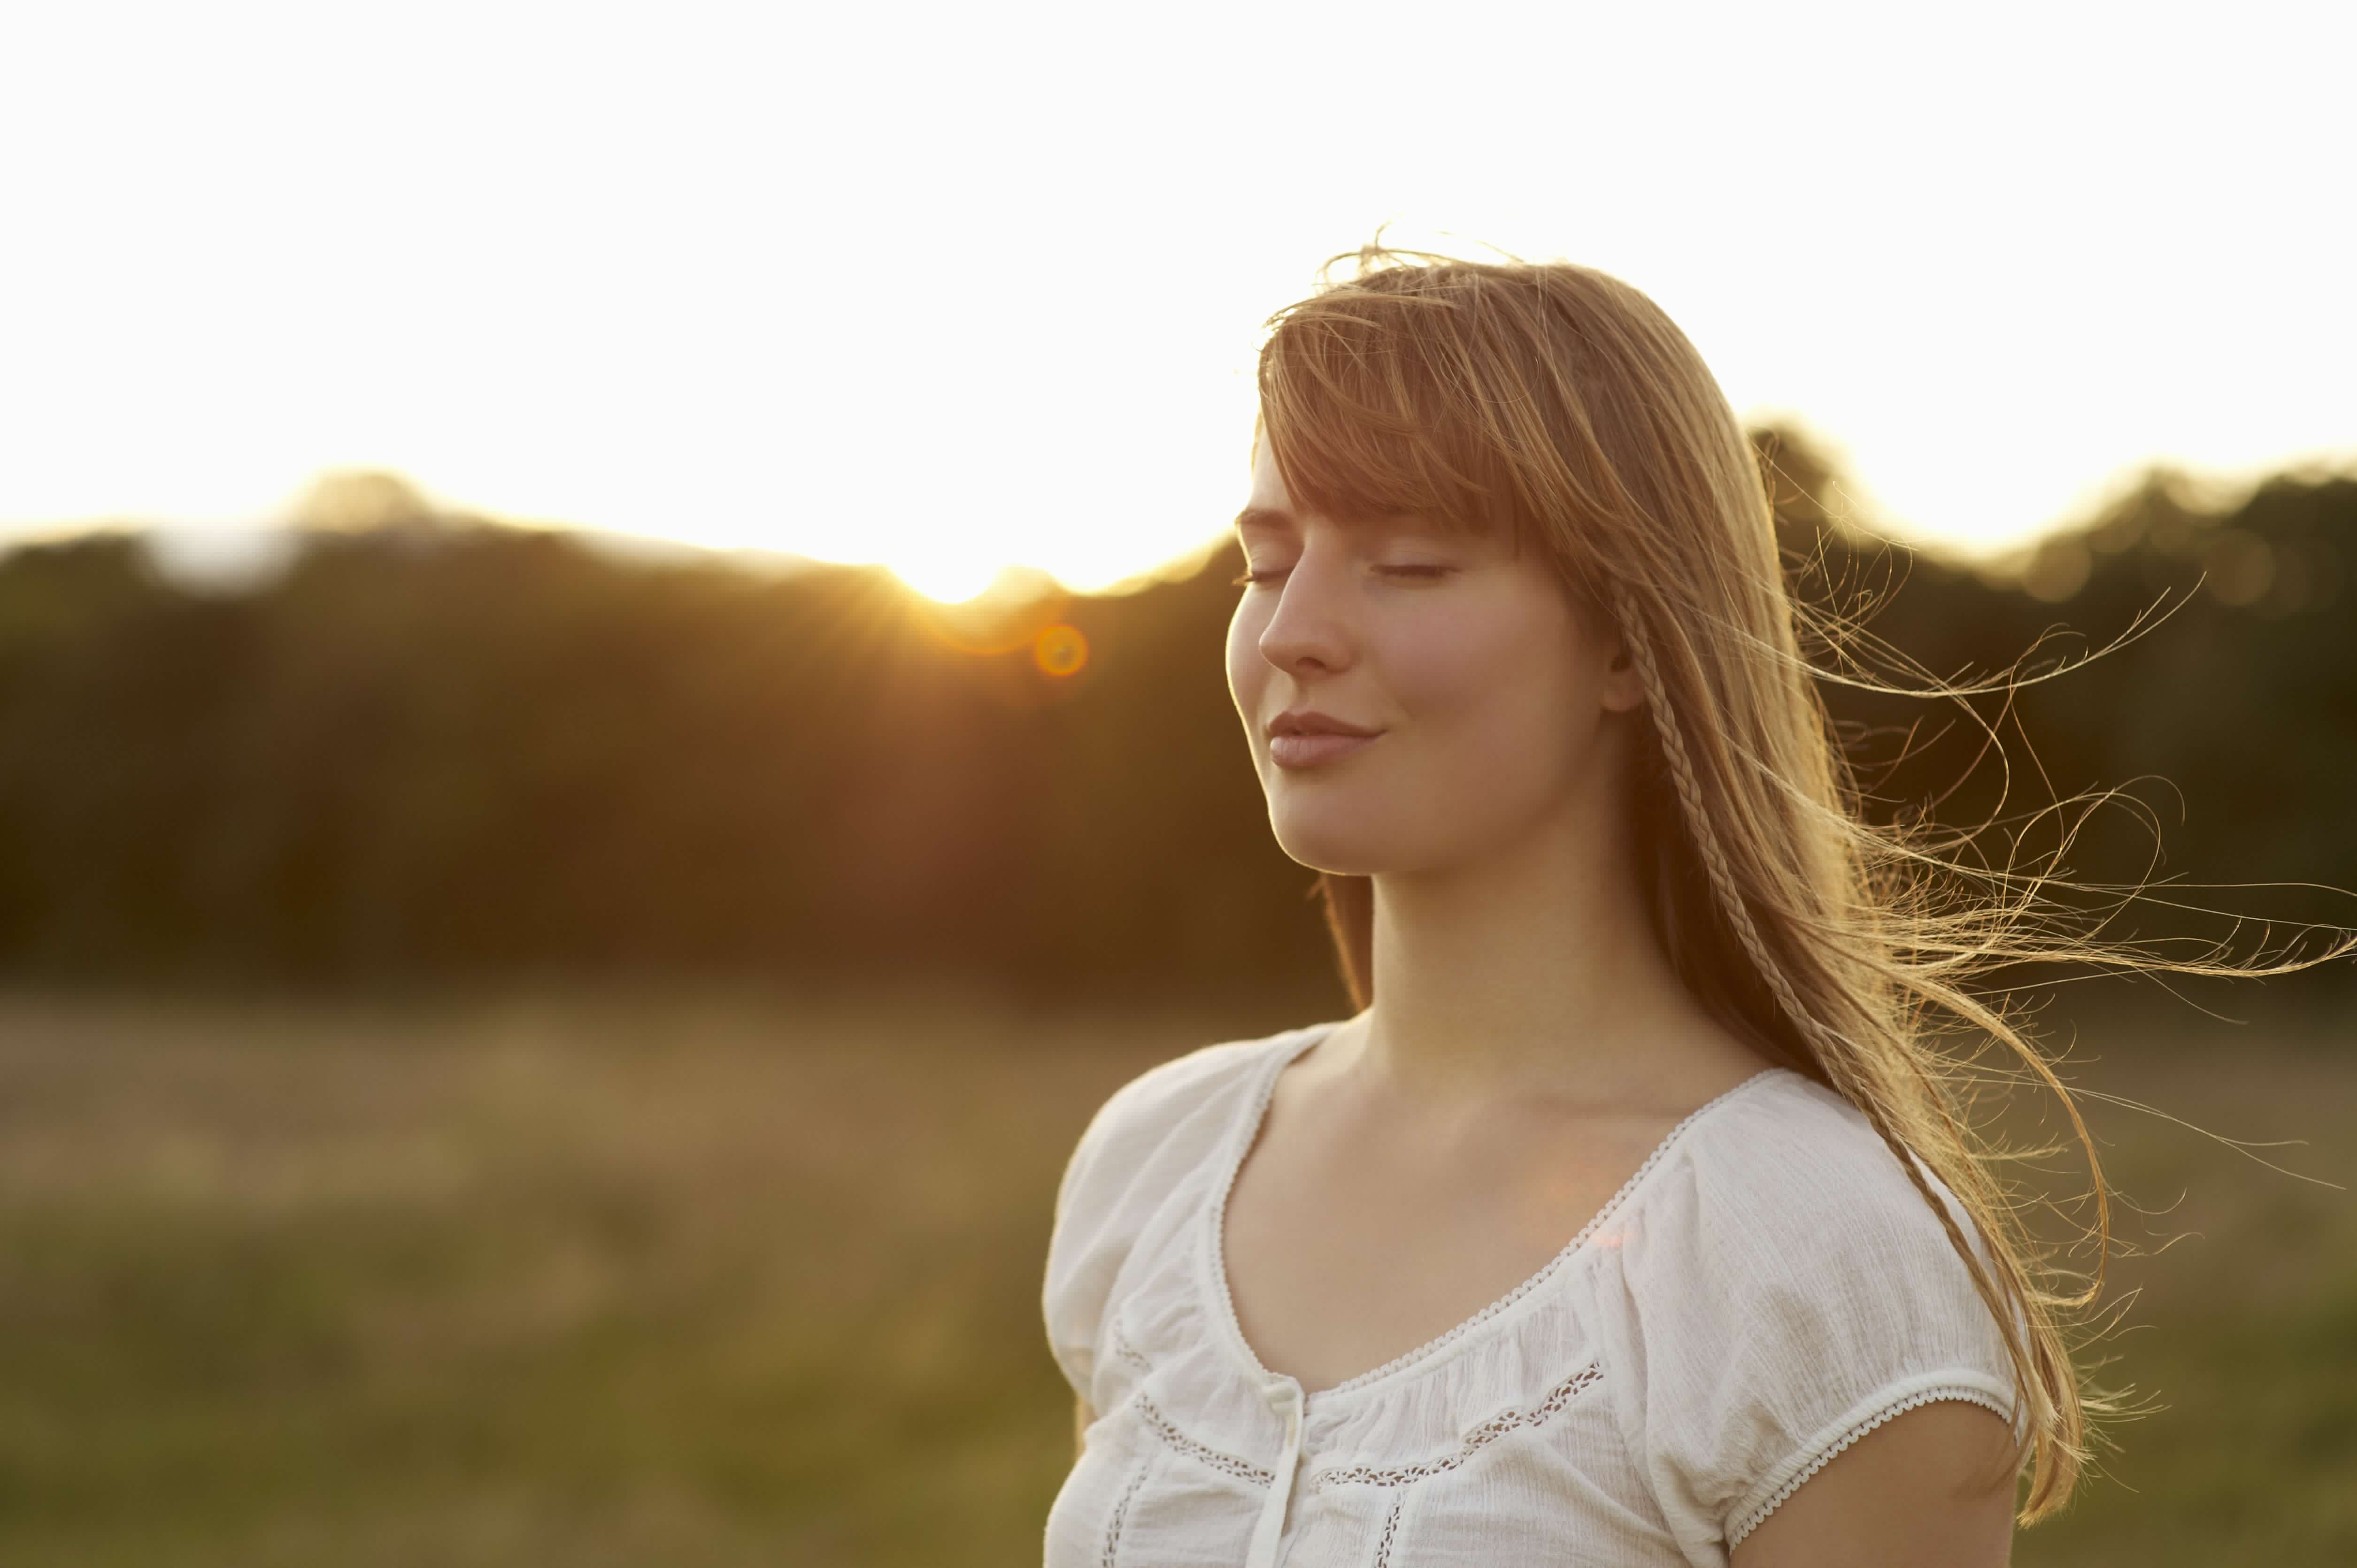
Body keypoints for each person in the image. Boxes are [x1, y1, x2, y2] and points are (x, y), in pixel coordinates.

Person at [1037, 249, 2326, 1567]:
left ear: (1625, 642)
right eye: (1265, 561)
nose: (1291, 629)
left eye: (1408, 562)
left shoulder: (1814, 1254)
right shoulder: (1160, 1161)